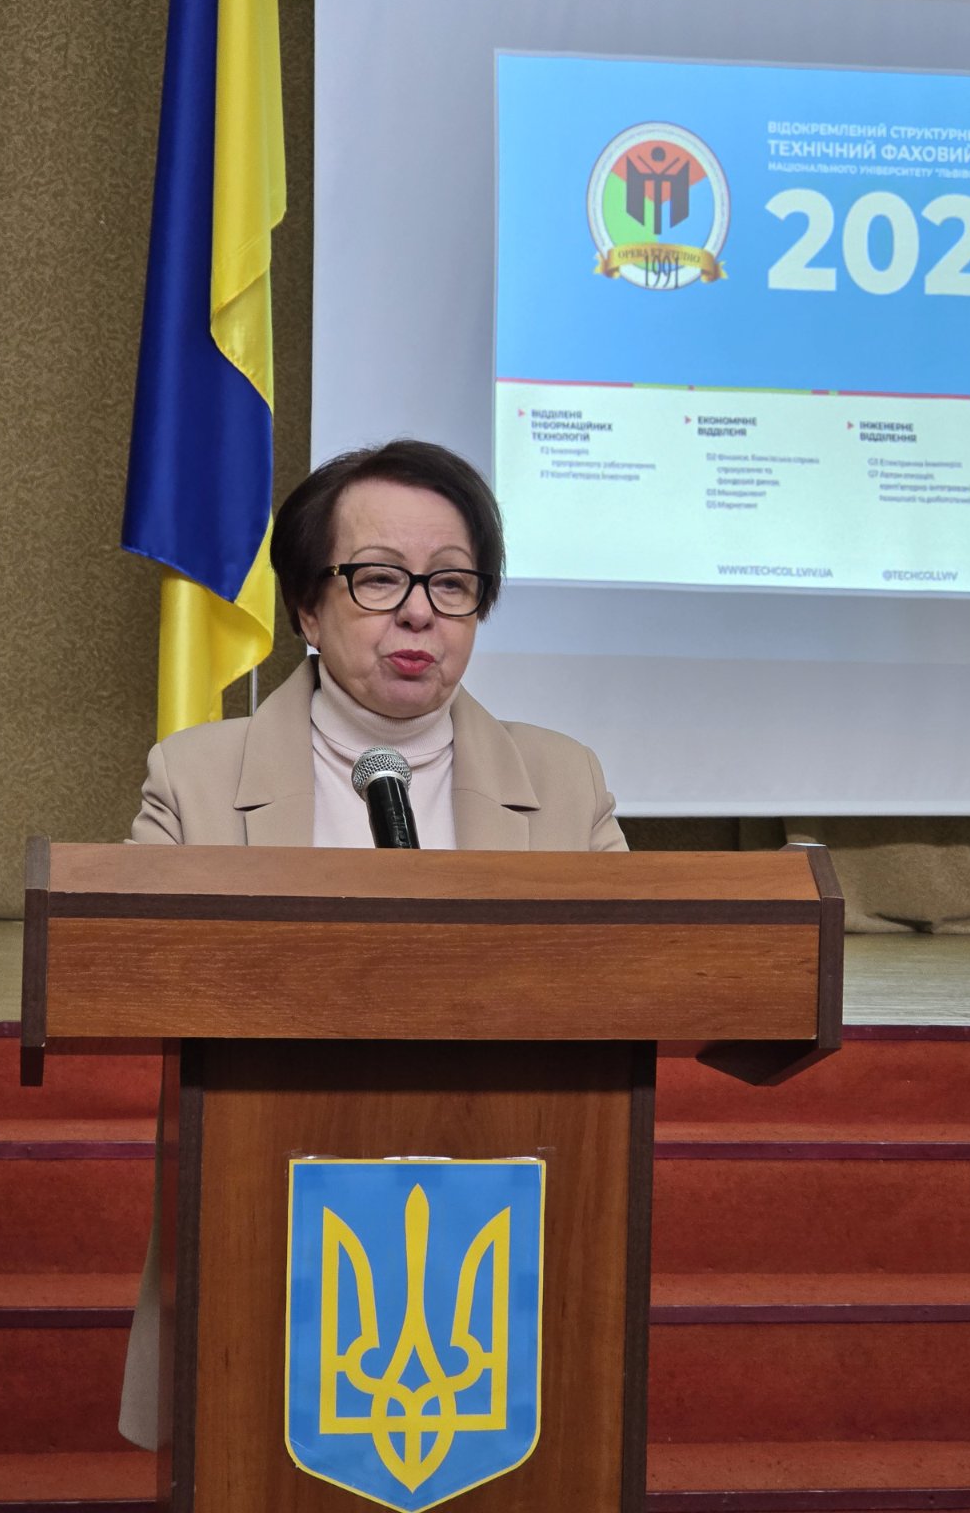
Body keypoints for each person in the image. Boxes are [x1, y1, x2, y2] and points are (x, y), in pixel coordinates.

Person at [119, 439, 626, 1448]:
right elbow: (143, 978)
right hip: (265, 1215)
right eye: (380, 578)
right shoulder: (196, 779)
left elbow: (625, 985)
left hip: (507, 1225)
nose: (419, 613)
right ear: (308, 608)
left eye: (452, 583)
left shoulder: (564, 784)